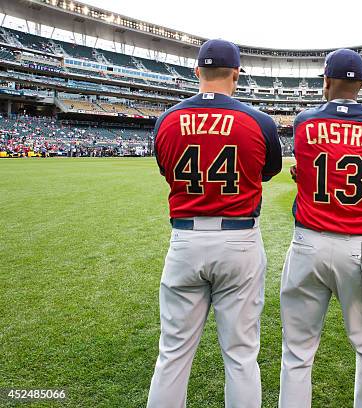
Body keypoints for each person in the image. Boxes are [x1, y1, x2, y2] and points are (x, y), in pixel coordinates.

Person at [148, 39, 282, 408]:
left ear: (196, 72)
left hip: (185, 239)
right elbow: (268, 171)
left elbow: (166, 170)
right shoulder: (258, 121)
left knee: (172, 354)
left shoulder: (167, 120)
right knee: (240, 356)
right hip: (239, 239)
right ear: (236, 73)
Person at [280, 49, 362, 408]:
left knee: (297, 350)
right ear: (361, 84)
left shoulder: (305, 121)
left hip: (309, 242)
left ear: (326, 81)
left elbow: (308, 166)